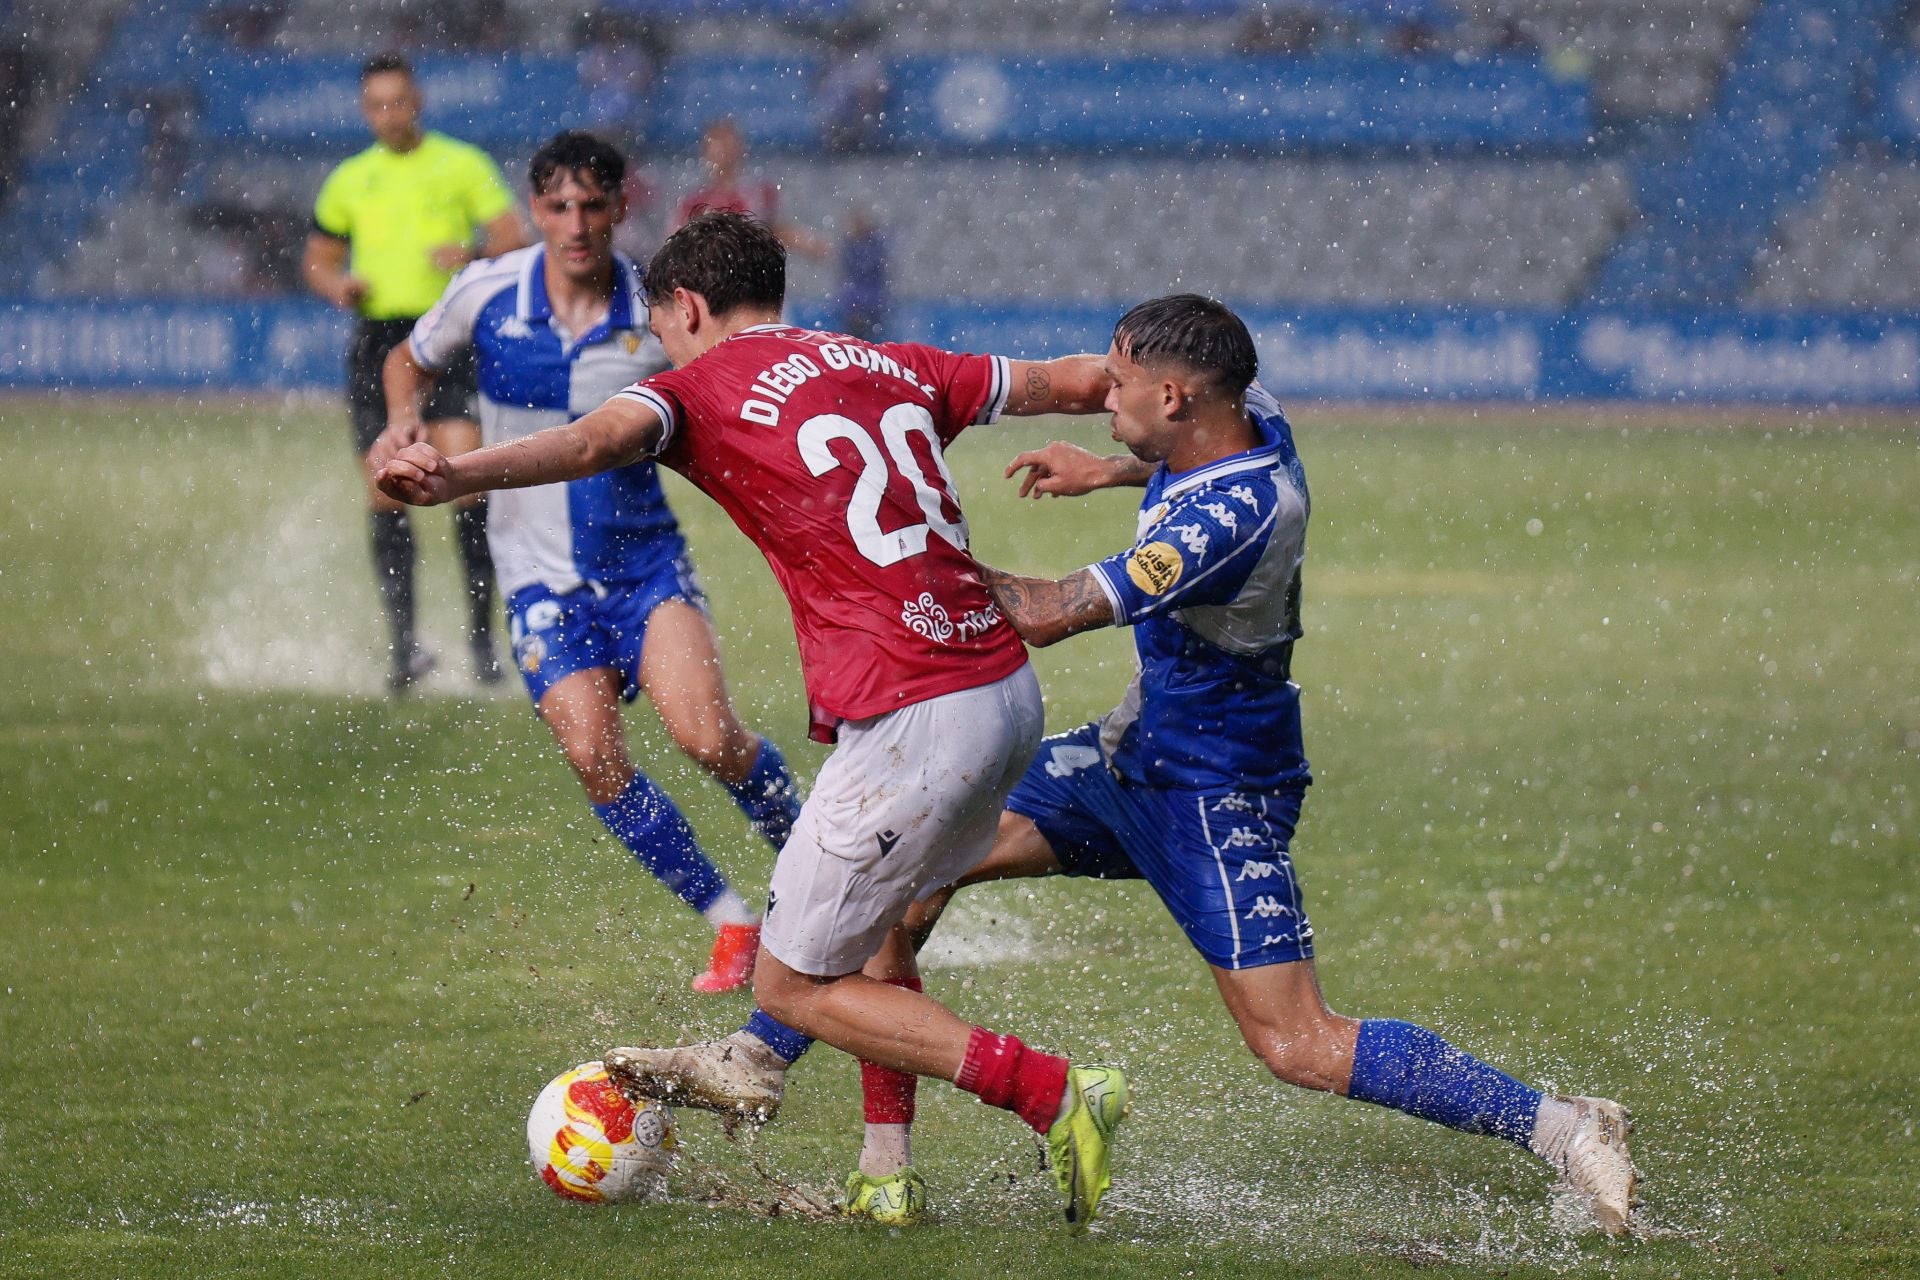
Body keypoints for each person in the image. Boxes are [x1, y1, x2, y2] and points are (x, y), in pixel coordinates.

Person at [376, 211, 1129, 1233]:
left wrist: (454, 475)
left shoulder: (698, 388)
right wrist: (1204, 389)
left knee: (793, 985)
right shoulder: (887, 358)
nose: (663, 347)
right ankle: (884, 1170)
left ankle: (1051, 1090)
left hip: (913, 710)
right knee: (879, 932)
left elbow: (591, 441)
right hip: (1001, 687)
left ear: (687, 306)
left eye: (663, 328)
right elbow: (1067, 380)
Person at [835, 295, 1639, 1234]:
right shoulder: (1249, 411)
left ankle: (1565, 1126)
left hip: (1214, 789)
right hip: (1124, 756)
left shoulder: (1234, 518)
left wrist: (906, 560)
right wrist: (1109, 468)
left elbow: (1050, 611)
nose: (1104, 395)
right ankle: (871, 1153)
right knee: (901, 875)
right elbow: (1180, 458)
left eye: (1120, 383)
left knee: (1297, 1042)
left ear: (1176, 396)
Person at [371, 133, 795, 994]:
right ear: (534, 209)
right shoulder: (488, 291)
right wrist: (400, 419)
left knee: (709, 738)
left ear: (619, 208)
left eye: (592, 205)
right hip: (536, 577)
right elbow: (407, 358)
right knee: (595, 756)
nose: (575, 224)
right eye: (558, 207)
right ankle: (732, 921)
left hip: (644, 567)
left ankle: (834, 877)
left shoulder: (656, 306)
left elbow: (730, 384)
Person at [302, 53, 529, 695]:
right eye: (377, 105)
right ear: (364, 110)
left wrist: (473, 253)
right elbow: (317, 261)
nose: (389, 114)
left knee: (466, 478)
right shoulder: (350, 179)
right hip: (378, 343)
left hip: (448, 335)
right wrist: (337, 285)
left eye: (398, 101)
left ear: (418, 101)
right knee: (386, 489)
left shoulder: (462, 164)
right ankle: (404, 648)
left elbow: (513, 238)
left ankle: (483, 643)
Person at [673, 118, 829, 261]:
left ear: (741, 148)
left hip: (748, 272)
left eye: (727, 144)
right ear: (705, 152)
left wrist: (812, 245)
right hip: (713, 274)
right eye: (718, 145)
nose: (723, 152)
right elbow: (675, 246)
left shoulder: (760, 193)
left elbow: (777, 230)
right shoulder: (692, 201)